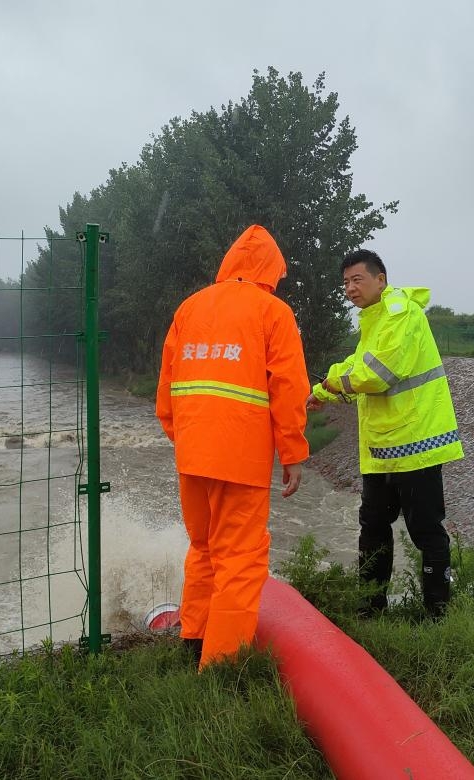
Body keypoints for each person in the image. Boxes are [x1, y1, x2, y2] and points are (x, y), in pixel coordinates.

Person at [156, 225, 310, 669]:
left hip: (192, 454)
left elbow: (167, 391)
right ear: (271, 270)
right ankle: (221, 667)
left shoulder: (190, 307)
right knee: (240, 560)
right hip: (240, 460)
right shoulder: (273, 312)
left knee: (203, 548)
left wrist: (187, 439)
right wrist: (293, 453)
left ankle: (194, 639)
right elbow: (288, 388)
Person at [308, 249, 462, 618]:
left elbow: (376, 374)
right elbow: (357, 364)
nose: (349, 288)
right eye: (345, 282)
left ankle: (438, 614)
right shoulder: (373, 320)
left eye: (357, 279)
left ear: (381, 279)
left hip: (415, 444)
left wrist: (332, 383)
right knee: (373, 528)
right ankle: (371, 607)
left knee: (425, 530)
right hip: (383, 448)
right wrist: (320, 391)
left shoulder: (400, 313)